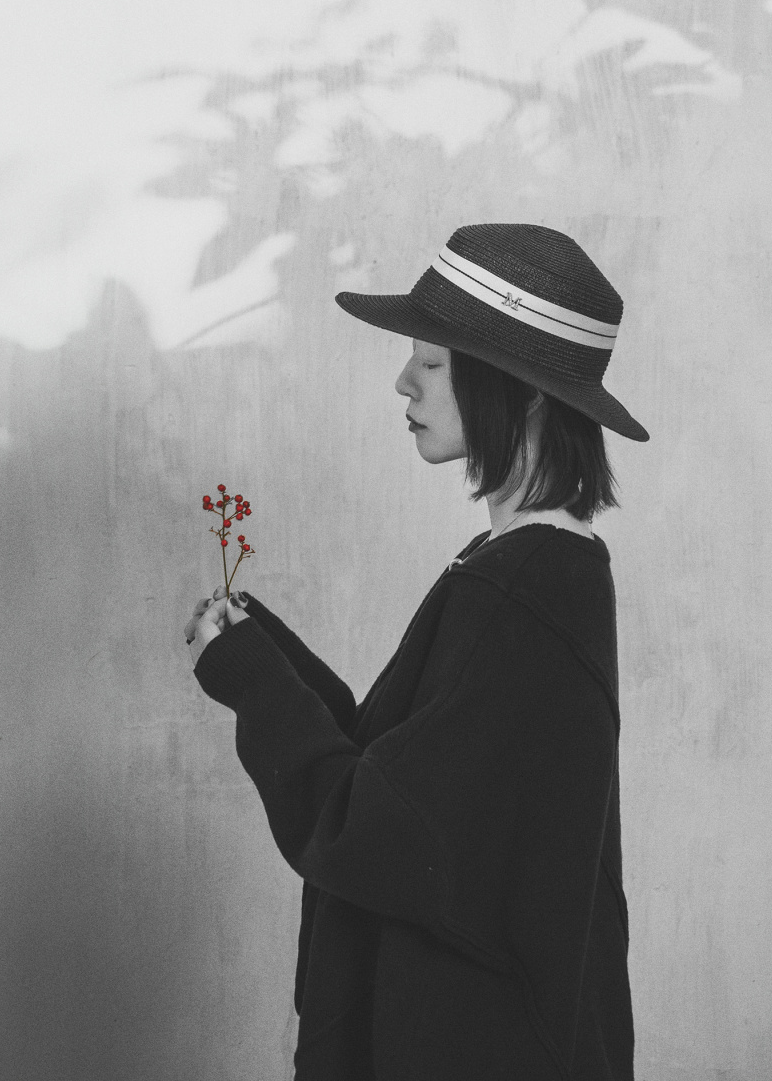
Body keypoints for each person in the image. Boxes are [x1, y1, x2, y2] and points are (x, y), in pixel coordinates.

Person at [184, 221, 648, 1079]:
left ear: (520, 392)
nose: (403, 382)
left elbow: (376, 833)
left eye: (431, 364)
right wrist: (265, 653)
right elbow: (403, 771)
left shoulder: (525, 589)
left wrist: (253, 681)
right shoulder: (527, 570)